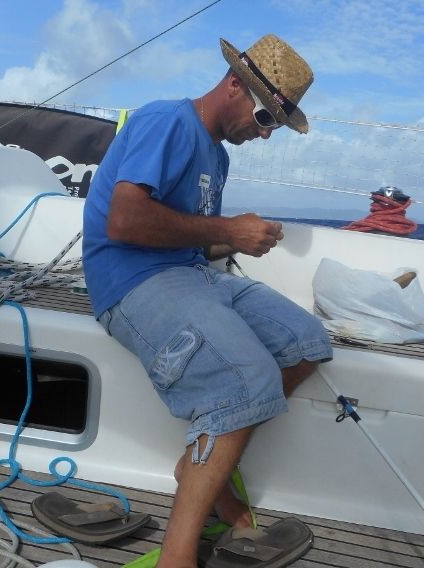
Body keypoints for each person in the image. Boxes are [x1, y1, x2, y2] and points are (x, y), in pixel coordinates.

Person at [82, 34, 333, 568]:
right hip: (130, 281)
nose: (265, 136)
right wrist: (227, 229)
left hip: (189, 274)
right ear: (236, 86)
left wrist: (241, 240)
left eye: (275, 128)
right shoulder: (166, 121)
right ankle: (178, 556)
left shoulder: (216, 156)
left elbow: (189, 236)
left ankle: (197, 468)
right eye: (267, 120)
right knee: (245, 379)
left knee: (307, 343)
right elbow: (124, 221)